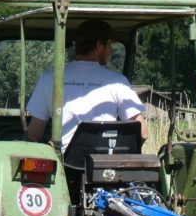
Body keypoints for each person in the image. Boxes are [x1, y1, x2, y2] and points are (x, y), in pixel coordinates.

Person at [25, 19, 149, 150]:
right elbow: (143, 133)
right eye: (109, 45)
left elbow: (34, 133)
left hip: (64, 165)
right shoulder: (118, 82)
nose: (111, 50)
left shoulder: (50, 78)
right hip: (104, 165)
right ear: (99, 45)